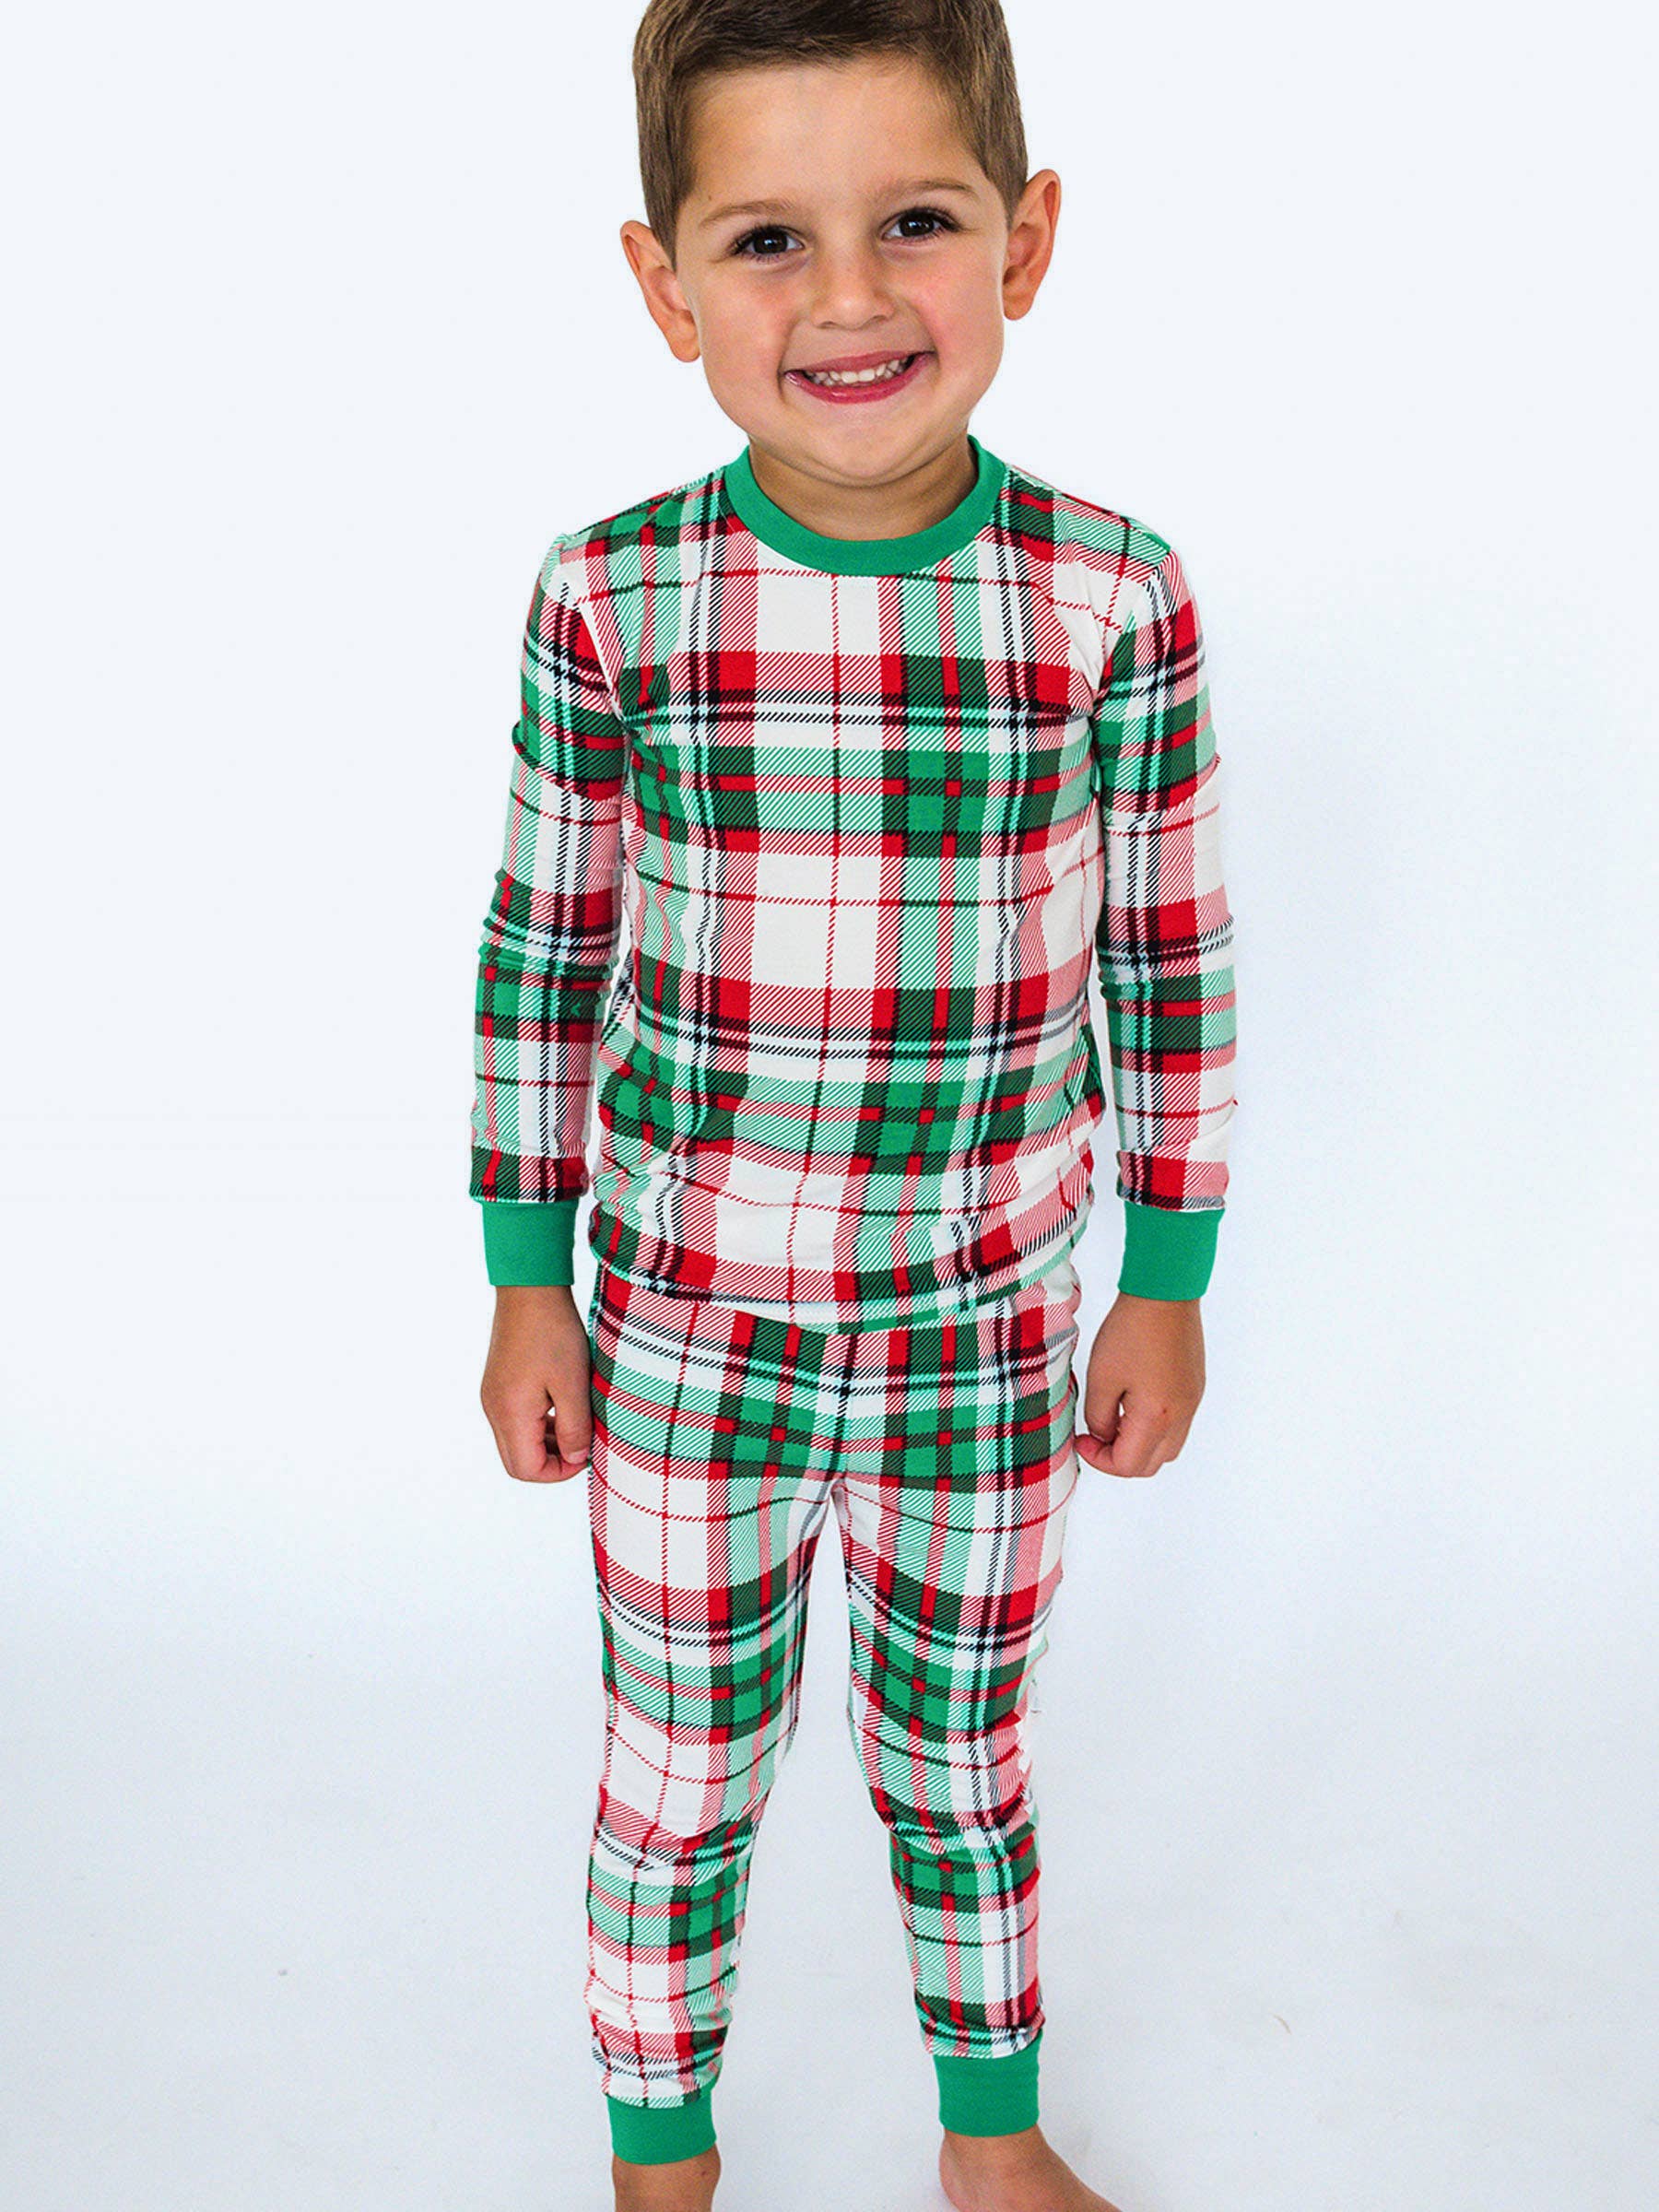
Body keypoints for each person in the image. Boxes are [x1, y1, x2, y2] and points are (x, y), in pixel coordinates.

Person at [471, 4, 1238, 2206]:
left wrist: (1165, 1277)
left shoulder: (1108, 594)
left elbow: (1170, 960)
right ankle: (662, 2164)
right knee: (680, 1776)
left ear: (1026, 240)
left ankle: (990, 2145)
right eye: (767, 239)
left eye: (914, 222)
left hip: (983, 1334)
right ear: (665, 284)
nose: (846, 298)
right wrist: (526, 1280)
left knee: (959, 1763)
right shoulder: (613, 595)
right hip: (688, 1332)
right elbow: (540, 956)